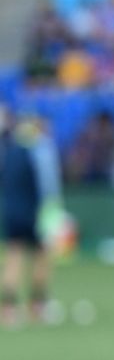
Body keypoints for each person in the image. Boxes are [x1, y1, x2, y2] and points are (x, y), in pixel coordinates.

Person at [0, 106, 59, 325]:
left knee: (13, 256)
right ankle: (38, 306)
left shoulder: (9, 149)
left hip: (11, 211)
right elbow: (48, 188)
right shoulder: (41, 150)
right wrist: (52, 215)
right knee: (42, 257)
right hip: (37, 212)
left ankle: (8, 309)